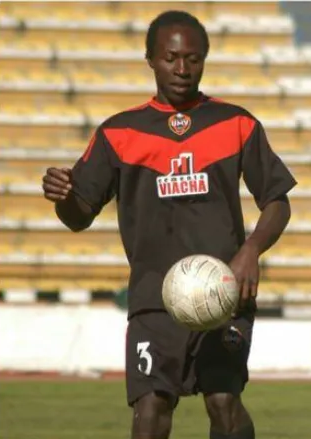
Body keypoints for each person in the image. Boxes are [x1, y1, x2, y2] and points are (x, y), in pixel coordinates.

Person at [42, 10, 295, 439]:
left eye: (193, 59)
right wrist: (64, 197)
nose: (182, 69)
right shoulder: (118, 133)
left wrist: (251, 249)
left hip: (223, 293)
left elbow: (278, 201)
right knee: (151, 411)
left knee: (224, 404)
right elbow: (77, 218)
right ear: (151, 60)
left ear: (204, 60)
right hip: (153, 297)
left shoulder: (237, 123)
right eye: (171, 58)